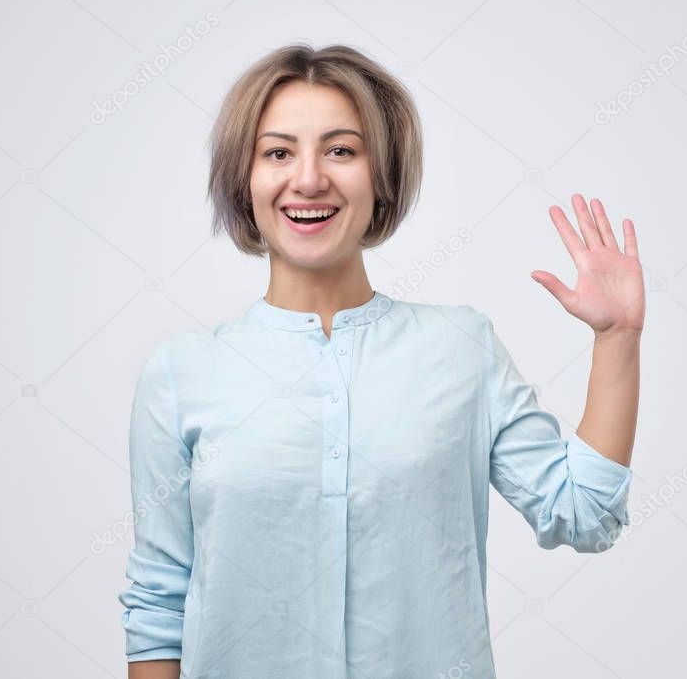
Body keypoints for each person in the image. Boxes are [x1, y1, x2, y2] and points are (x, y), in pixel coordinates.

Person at [118, 43, 644, 679]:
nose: (308, 179)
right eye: (277, 152)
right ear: (244, 179)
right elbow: (158, 601)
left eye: (341, 150)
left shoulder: (461, 350)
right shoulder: (181, 376)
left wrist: (616, 338)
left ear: (383, 177)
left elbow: (584, 514)